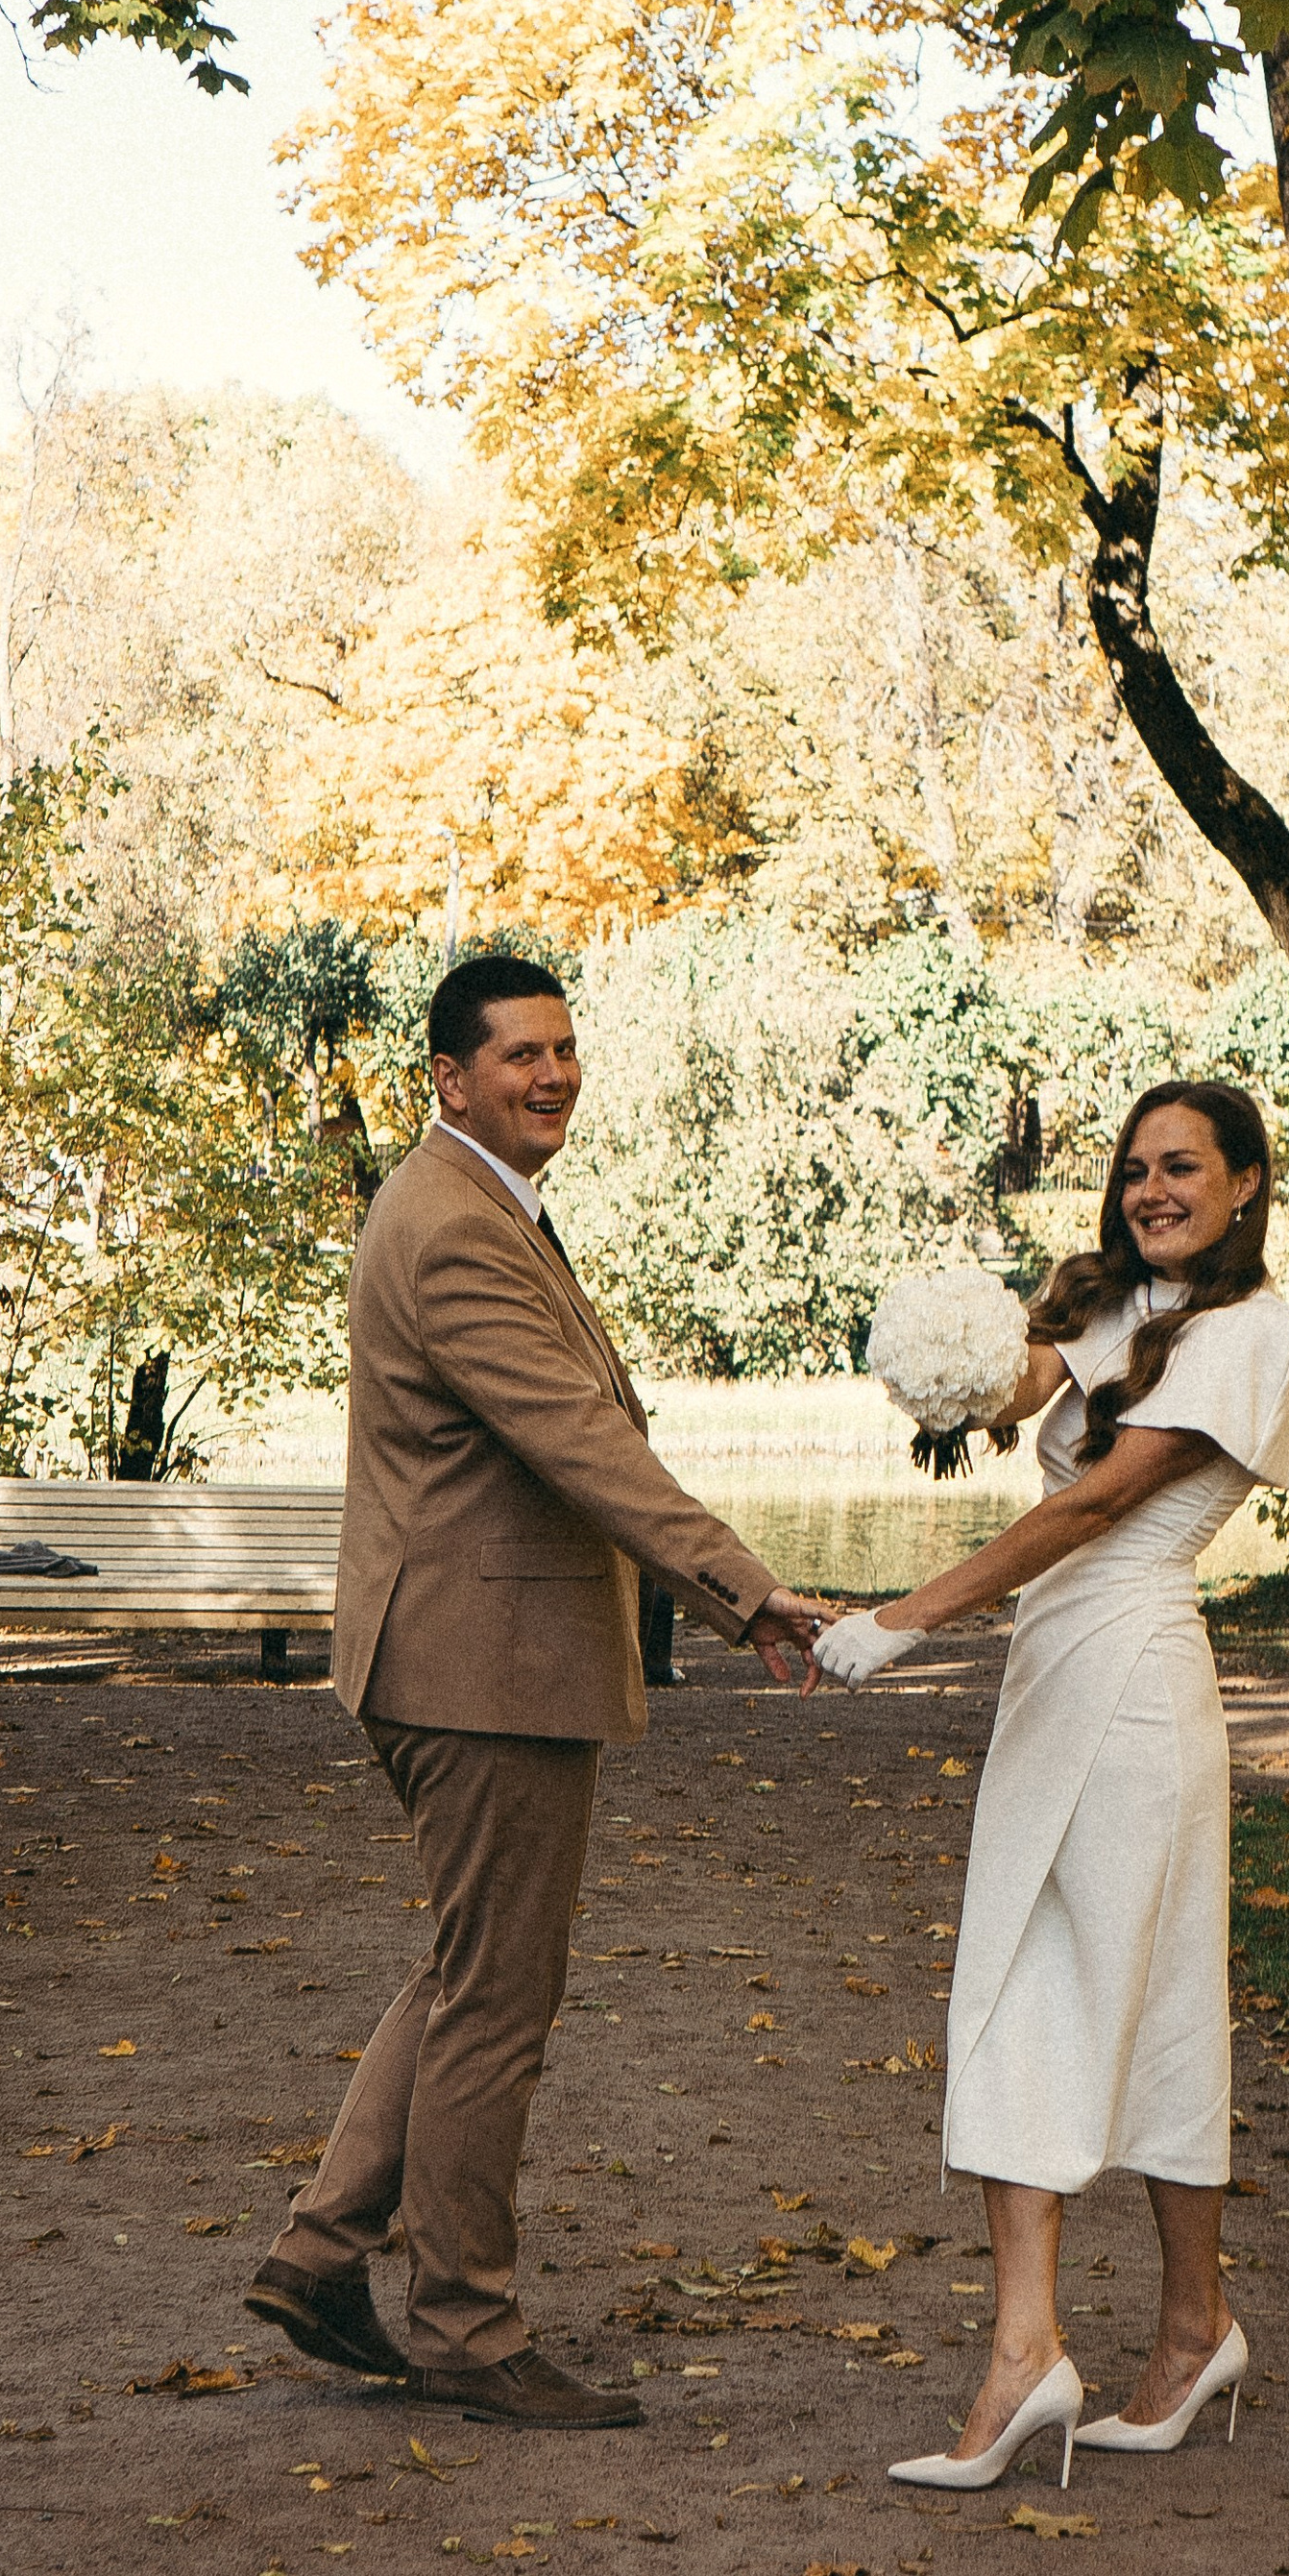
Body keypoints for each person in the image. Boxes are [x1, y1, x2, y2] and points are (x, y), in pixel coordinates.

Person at [246, 952, 824, 2427]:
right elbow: (581, 1443)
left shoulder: (481, 1205)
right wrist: (745, 1590)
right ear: (452, 1078)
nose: (554, 1074)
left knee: (464, 1973)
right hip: (477, 1670)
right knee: (499, 1998)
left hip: (465, 1656)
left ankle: (322, 2259)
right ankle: (465, 2324)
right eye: (521, 1056)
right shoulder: (452, 1227)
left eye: (567, 1049)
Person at [816, 1081, 1289, 2491]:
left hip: (1139, 1676)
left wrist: (900, 1619)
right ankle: (1052, 2346)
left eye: (1185, 1168)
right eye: (1138, 1168)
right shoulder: (1116, 1305)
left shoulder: (1248, 1329)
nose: (1154, 1189)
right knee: (1029, 1980)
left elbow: (1092, 1505)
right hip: (1056, 1678)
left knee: (1143, 1996)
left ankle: (1183, 2328)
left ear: (1247, 1183)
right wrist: (963, 1349)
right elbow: (1028, 1394)